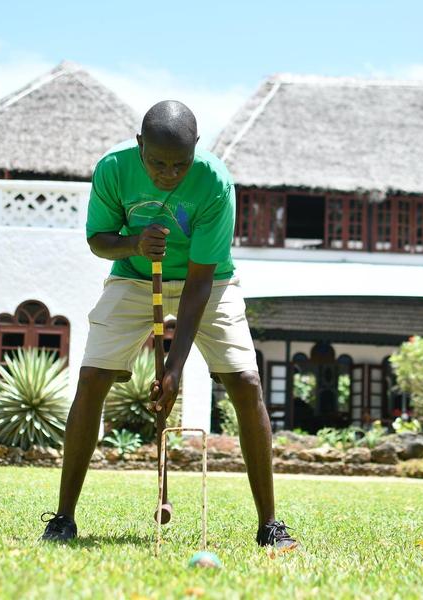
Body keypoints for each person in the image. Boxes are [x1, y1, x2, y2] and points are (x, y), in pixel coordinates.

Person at [40, 100, 297, 550]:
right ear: (139, 145)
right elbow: (98, 241)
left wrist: (175, 368)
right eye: (157, 163)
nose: (167, 174)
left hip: (209, 281)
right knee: (92, 376)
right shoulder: (113, 169)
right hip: (135, 276)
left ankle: (270, 526)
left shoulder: (215, 182)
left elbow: (199, 281)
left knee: (246, 381)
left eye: (180, 165)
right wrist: (136, 244)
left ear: (197, 149)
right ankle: (62, 518)